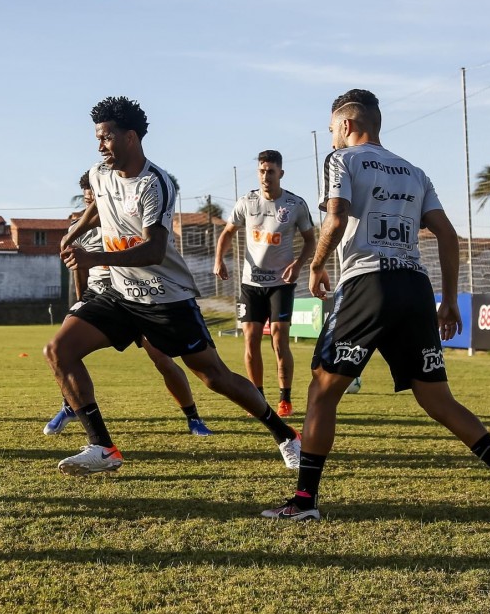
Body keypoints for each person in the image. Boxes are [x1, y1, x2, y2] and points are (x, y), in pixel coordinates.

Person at [262, 89, 490, 520]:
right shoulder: (415, 171)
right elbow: (448, 236)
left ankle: (303, 503)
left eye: (334, 128)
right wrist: (448, 301)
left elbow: (335, 217)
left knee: (321, 391)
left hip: (368, 285)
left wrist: (315, 265)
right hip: (414, 288)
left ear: (348, 125)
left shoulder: (342, 160)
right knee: (438, 400)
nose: (333, 136)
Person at [44, 96, 301, 476]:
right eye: (98, 138)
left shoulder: (155, 183)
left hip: (165, 298)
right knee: (59, 350)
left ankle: (286, 436)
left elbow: (153, 248)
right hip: (118, 292)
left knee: (215, 377)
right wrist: (76, 233)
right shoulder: (99, 173)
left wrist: (93, 257)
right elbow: (99, 204)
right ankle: (103, 447)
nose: (100, 145)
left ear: (130, 137)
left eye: (106, 137)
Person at [44, 171, 214, 437]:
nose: (93, 206)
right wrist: (80, 300)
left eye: (96, 200)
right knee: (60, 349)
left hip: (137, 295)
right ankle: (70, 406)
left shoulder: (132, 220)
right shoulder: (79, 229)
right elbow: (78, 269)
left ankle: (193, 417)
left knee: (164, 361)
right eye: (89, 200)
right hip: (99, 297)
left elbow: (155, 251)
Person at [213, 150, 315, 418]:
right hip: (250, 283)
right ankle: (257, 398)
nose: (265, 176)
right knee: (251, 340)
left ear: (280, 173)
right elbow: (227, 232)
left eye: (271, 171)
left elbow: (311, 240)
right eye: (261, 171)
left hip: (281, 283)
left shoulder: (295, 205)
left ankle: (285, 399)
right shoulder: (247, 202)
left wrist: (298, 264)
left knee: (280, 340)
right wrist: (219, 260)